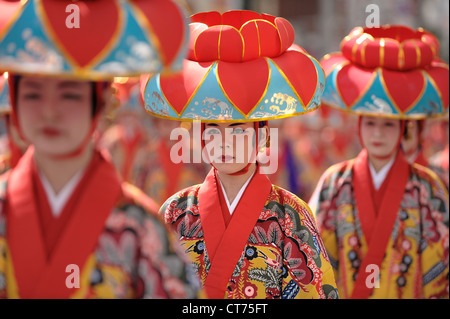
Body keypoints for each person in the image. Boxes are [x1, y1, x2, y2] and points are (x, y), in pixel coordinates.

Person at [0, 0, 198, 299]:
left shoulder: (138, 227)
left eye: (69, 95)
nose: (50, 112)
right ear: (13, 102)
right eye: (33, 94)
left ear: (103, 102)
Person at [141, 10, 338, 299]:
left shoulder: (292, 216)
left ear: (261, 135)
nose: (223, 142)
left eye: (237, 129)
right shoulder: (175, 212)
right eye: (213, 129)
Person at [309, 25, 449, 299]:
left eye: (388, 125)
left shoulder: (426, 187)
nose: (377, 133)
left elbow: (440, 262)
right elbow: (318, 256)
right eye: (370, 123)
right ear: (359, 126)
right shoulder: (335, 181)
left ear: (403, 129)